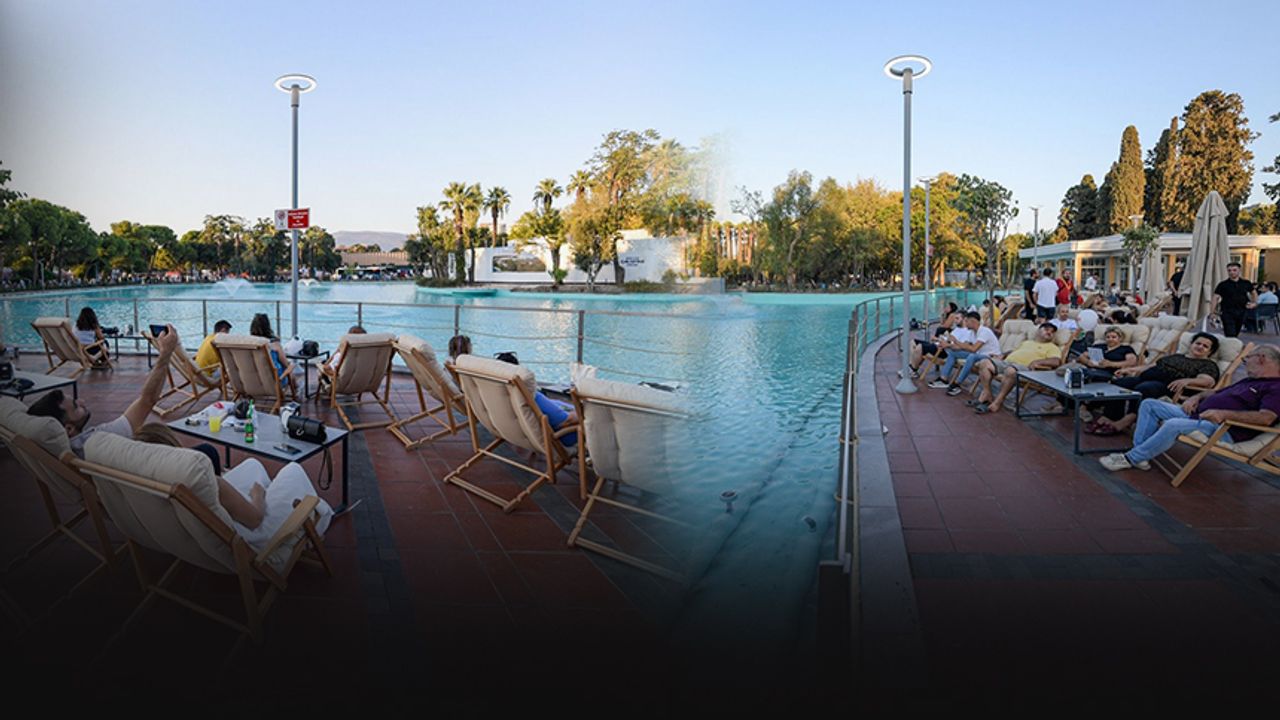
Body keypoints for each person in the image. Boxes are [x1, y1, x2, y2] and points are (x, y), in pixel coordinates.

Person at [132, 423, 332, 548]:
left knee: (252, 464)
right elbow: (254, 520)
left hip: (203, 533)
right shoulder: (201, 481)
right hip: (248, 536)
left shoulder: (144, 481)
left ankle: (275, 497)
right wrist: (258, 496)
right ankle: (310, 527)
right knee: (293, 469)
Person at [1100, 345, 1280, 472]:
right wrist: (1196, 397)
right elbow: (1214, 392)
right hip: (1196, 414)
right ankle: (1141, 454)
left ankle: (1130, 458)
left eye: (1246, 359)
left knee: (1173, 424)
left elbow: (1266, 418)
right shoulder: (1250, 381)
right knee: (1149, 404)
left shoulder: (1276, 388)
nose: (1244, 363)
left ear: (1261, 359)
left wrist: (1223, 414)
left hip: (1222, 428)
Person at [28, 324, 181, 457]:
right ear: (68, 428)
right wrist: (165, 352)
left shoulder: (57, 451)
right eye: (75, 406)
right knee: (156, 432)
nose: (82, 401)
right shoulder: (99, 442)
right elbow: (147, 401)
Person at [1087, 332, 1220, 435]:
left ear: (1210, 351)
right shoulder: (1177, 356)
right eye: (1198, 343)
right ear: (1191, 344)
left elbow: (1208, 381)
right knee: (1119, 383)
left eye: (1205, 346)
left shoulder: (1208, 364)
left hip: (1168, 385)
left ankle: (1126, 421)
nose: (1200, 347)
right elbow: (1151, 366)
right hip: (1147, 377)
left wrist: (1188, 380)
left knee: (1144, 389)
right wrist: (1130, 370)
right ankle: (1111, 417)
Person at [969, 321, 1063, 414]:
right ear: (1038, 331)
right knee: (984, 363)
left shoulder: (1052, 347)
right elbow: (1015, 351)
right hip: (1006, 363)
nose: (1049, 332)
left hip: (1025, 368)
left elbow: (1056, 361)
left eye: (1052, 332)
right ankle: (987, 394)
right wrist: (1003, 355)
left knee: (1010, 371)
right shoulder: (1027, 342)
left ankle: (998, 401)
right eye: (1046, 329)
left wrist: (1037, 362)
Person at [492, 352, 578, 446]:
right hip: (561, 437)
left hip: (516, 436)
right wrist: (583, 413)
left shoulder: (495, 396)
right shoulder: (530, 396)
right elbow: (566, 421)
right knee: (589, 420)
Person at [927, 311, 999, 396]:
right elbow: (964, 346)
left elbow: (973, 349)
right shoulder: (972, 332)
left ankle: (957, 384)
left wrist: (956, 341)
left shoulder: (984, 332)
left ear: (973, 321)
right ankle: (943, 379)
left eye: (967, 321)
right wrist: (949, 346)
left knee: (972, 356)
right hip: (978, 354)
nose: (965, 324)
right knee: (953, 353)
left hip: (990, 357)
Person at [907, 308, 963, 379]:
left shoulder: (965, 331)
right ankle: (911, 367)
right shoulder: (957, 329)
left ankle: (912, 370)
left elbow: (957, 345)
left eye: (957, 318)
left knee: (920, 347)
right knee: (913, 342)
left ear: (964, 319)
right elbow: (949, 339)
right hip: (938, 344)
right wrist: (940, 338)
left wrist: (940, 340)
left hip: (943, 351)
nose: (955, 321)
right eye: (955, 318)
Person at [318, 325, 366, 396]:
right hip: (359, 381)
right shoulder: (366, 353)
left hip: (341, 380)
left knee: (322, 367)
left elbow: (328, 368)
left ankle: (328, 387)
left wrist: (324, 368)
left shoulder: (345, 355)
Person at [1212, 262, 1256, 338]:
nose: (1232, 272)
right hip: (1227, 311)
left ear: (1239, 270)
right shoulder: (1223, 284)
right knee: (1230, 333)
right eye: (1229, 270)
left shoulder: (1246, 283)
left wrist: (1254, 303)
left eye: (1234, 270)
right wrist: (1212, 312)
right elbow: (1215, 297)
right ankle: (1231, 343)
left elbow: (1254, 293)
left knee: (1236, 332)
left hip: (1242, 311)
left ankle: (1233, 343)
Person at [249, 313, 291, 389]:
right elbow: (285, 364)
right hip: (275, 382)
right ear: (268, 327)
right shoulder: (274, 344)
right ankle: (296, 390)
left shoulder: (249, 344)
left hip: (253, 383)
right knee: (290, 367)